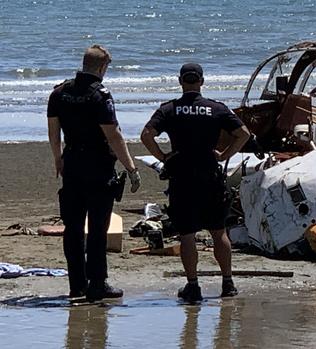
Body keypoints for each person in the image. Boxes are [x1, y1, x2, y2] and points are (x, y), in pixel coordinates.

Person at [140, 63, 250, 302]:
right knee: (218, 231)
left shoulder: (170, 109)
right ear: (201, 81)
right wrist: (225, 154)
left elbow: (146, 135)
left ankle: (193, 285)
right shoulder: (216, 108)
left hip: (182, 177)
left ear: (180, 81)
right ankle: (227, 283)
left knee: (187, 233)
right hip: (210, 175)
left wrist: (163, 157)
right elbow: (244, 134)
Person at [47, 44, 141, 301]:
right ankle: (97, 282)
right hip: (98, 166)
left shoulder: (60, 93)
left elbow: (54, 132)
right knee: (98, 227)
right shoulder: (100, 95)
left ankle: (76, 284)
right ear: (102, 67)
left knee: (73, 227)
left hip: (72, 163)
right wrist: (131, 168)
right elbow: (114, 135)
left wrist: (58, 159)